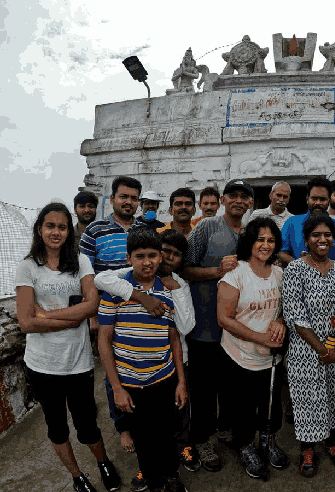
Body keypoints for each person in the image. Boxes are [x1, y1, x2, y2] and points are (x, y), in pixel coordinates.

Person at [16, 202, 121, 492]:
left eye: (62, 226)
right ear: (40, 228)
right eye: (50, 226)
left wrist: (47, 316)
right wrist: (70, 321)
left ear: (68, 231)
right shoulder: (28, 267)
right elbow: (25, 322)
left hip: (78, 362)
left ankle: (103, 461)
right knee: (57, 428)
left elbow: (92, 304)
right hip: (42, 364)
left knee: (87, 425)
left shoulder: (80, 261)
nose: (56, 232)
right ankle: (77, 477)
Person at [94, 230, 199, 479]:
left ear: (160, 257)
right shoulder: (116, 292)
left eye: (153, 255)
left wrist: (181, 382)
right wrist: (117, 388)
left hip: (163, 380)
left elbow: (174, 338)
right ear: (129, 258)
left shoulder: (169, 291)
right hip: (129, 383)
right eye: (139, 256)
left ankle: (171, 477)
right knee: (142, 436)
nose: (147, 262)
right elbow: (104, 341)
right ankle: (152, 478)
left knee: (165, 433)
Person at [182, 179, 253, 472]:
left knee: (232, 385)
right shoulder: (207, 227)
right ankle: (201, 438)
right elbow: (183, 267)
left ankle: (225, 429)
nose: (238, 200)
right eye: (232, 195)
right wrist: (216, 271)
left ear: (250, 203)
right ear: (223, 200)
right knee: (203, 388)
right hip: (206, 326)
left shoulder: (250, 234)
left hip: (237, 327)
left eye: (244, 196)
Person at [282, 213, 335, 478]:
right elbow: (295, 316)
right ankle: (307, 450)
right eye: (316, 235)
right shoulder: (295, 270)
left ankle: (333, 445)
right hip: (306, 351)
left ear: (334, 239)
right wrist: (321, 350)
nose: (322, 240)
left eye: (327, 235)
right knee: (308, 401)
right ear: (306, 239)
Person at [217, 217, 289, 480]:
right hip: (240, 356)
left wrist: (280, 321)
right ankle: (246, 445)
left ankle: (267, 440)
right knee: (243, 407)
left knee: (271, 405)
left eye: (271, 240)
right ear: (249, 241)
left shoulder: (280, 274)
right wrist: (260, 338)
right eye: (260, 239)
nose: (266, 245)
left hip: (270, 356)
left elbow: (283, 310)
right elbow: (224, 319)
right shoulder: (235, 275)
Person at [279, 177, 335, 269]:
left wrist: (324, 266)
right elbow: (281, 253)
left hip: (330, 280)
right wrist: (302, 266)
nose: (318, 203)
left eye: (322, 199)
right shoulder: (291, 223)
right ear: (307, 199)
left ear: (329, 200)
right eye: (314, 198)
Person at [79, 176, 148, 274]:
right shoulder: (94, 230)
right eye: (123, 196)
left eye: (134, 198)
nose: (128, 202)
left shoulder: (145, 230)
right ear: (112, 199)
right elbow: (85, 273)